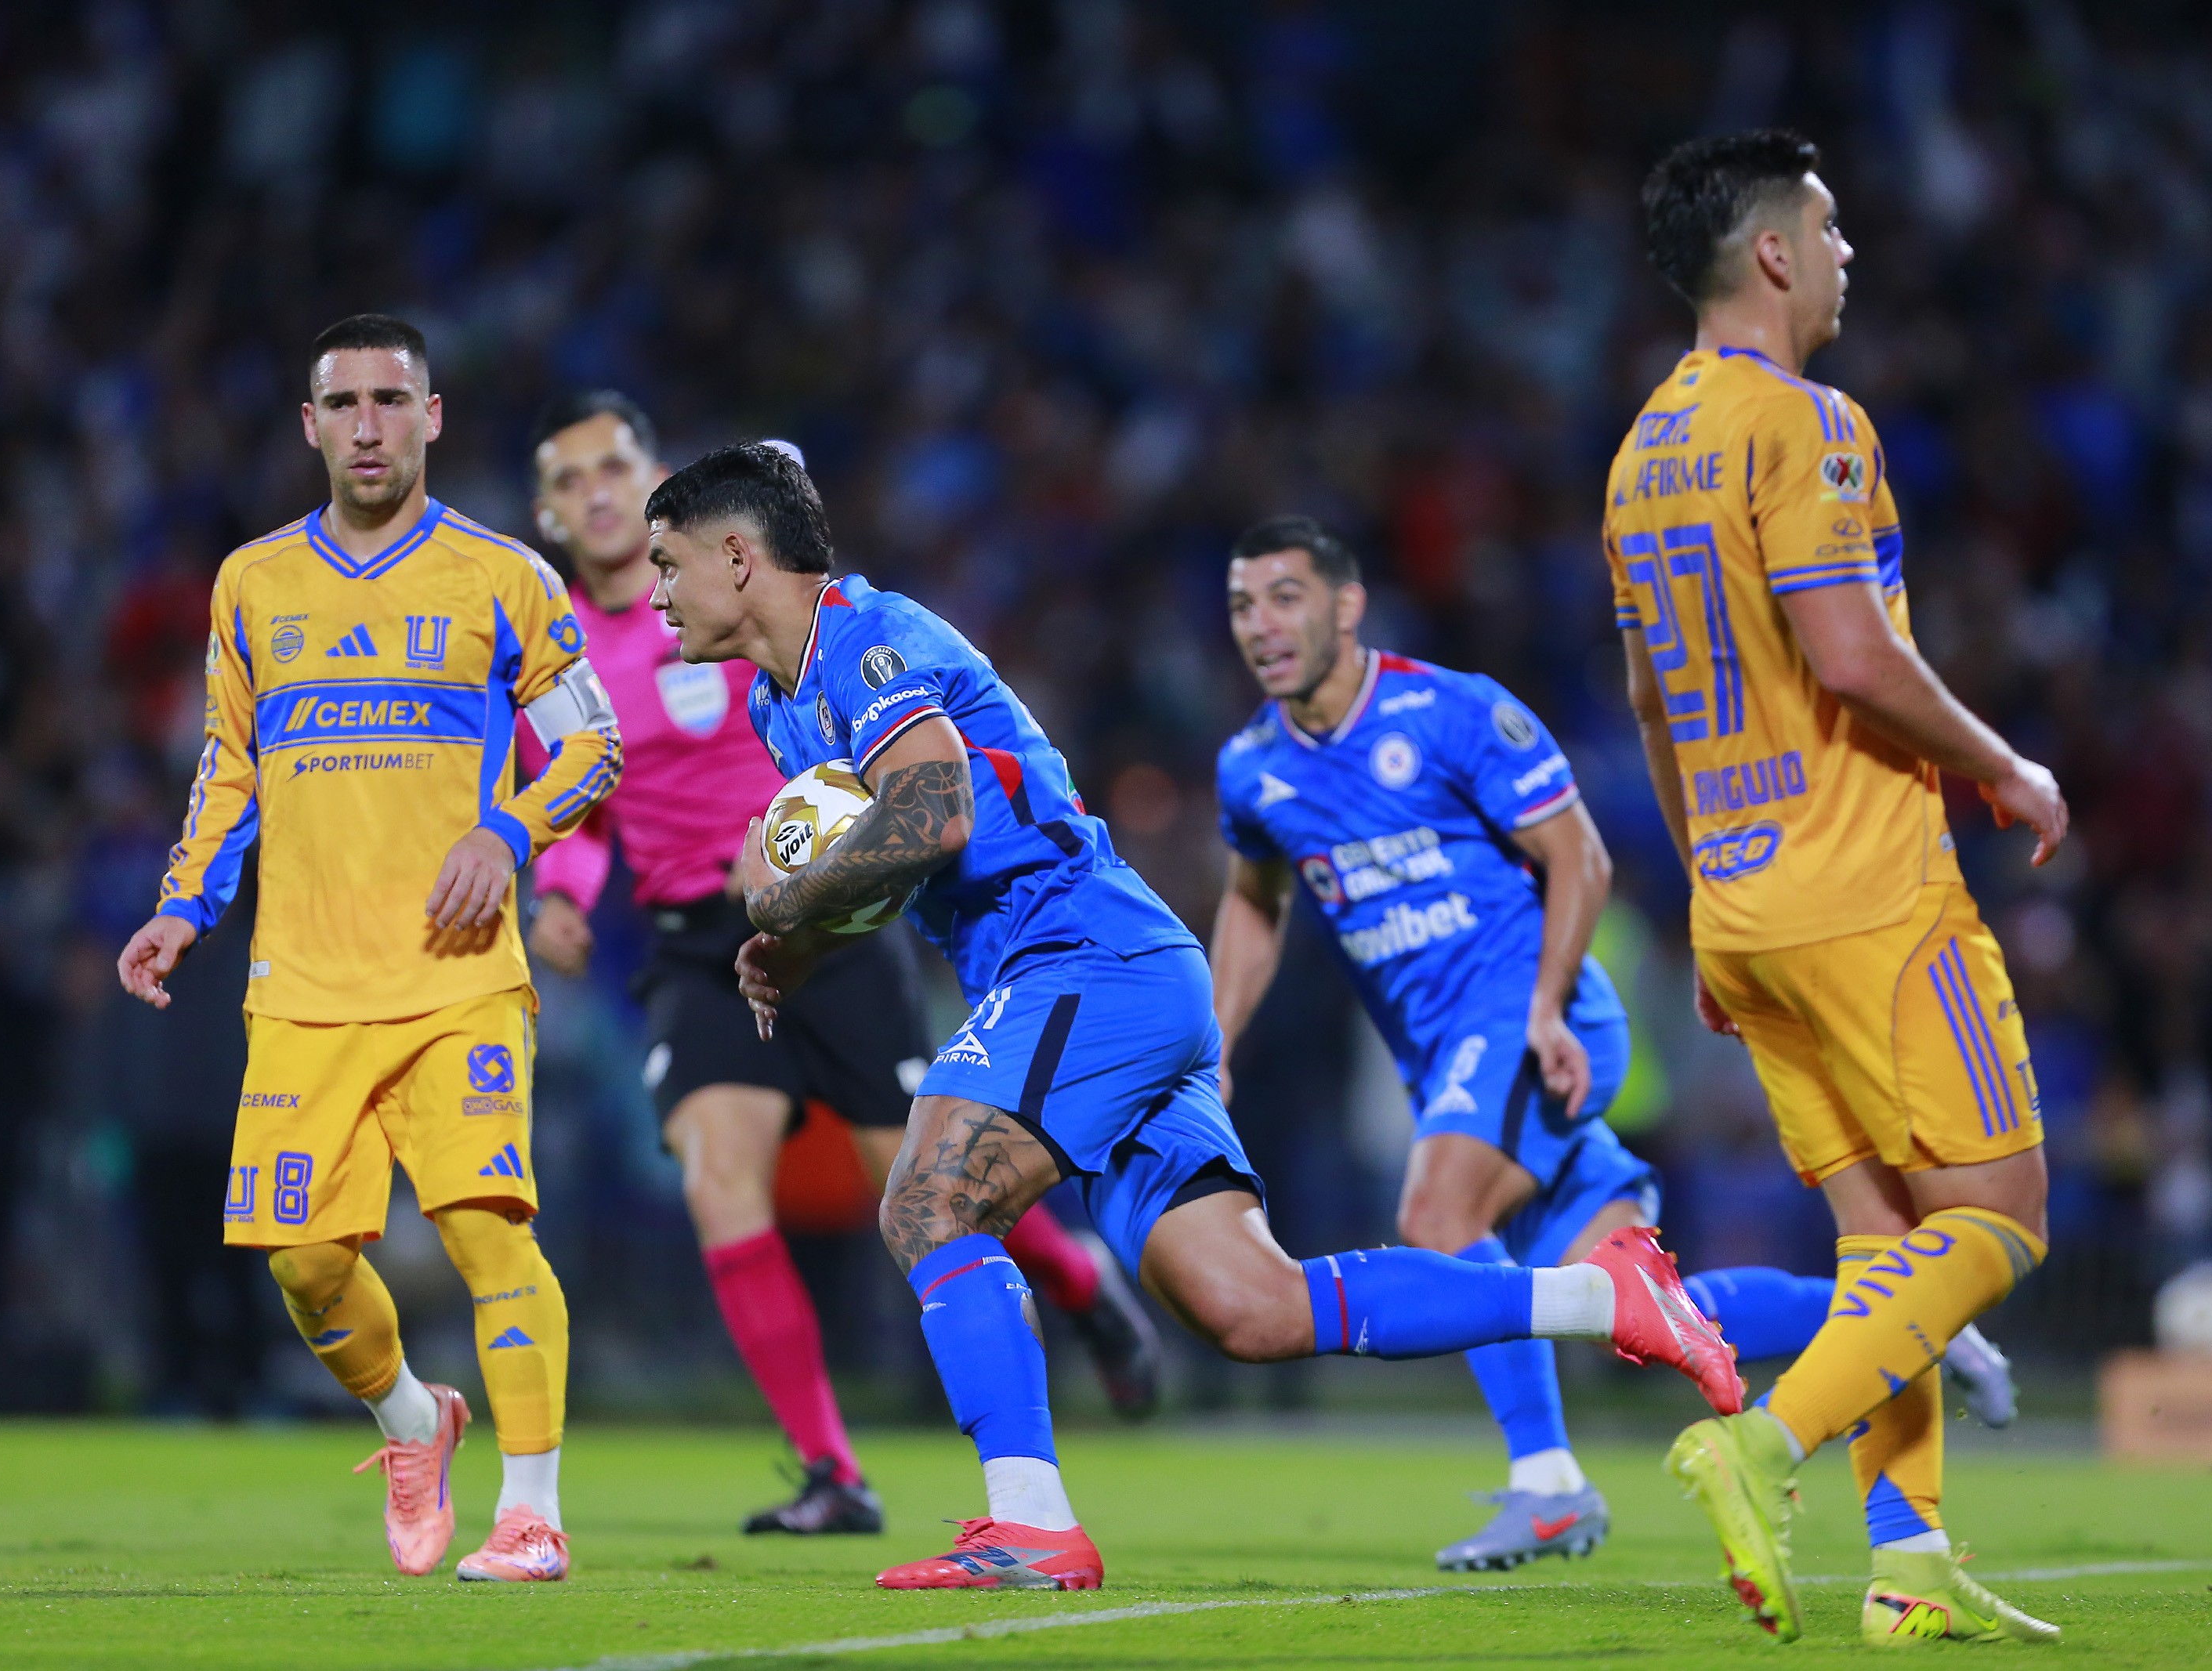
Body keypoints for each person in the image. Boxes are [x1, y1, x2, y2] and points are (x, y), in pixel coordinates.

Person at [643, 442, 1743, 1593]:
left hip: (1086, 956)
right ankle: (1603, 1293)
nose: (656, 590)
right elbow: (898, 868)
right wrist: (806, 942)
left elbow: (936, 808)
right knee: (1252, 1307)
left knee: (929, 1195)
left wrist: (784, 895)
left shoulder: (866, 639)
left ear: (737, 553)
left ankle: (1030, 1518)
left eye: (668, 563)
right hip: (1092, 979)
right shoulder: (781, 706)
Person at [1207, 515, 2018, 1573]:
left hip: (1532, 1017)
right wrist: (1215, 1038)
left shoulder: (1452, 711)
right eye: (1241, 605)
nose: (1262, 625)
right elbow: (1255, 904)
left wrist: (1543, 1006)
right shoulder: (1252, 770)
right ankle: (1915, 1320)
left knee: (1437, 1212)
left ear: (1345, 606)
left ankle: (1547, 1482)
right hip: (1449, 1053)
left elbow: (1578, 855)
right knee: (1633, 1304)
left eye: (1284, 596)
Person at [516, 394, 1160, 1535]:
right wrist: (560, 895)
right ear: (548, 514)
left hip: (844, 920)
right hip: (695, 942)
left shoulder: (755, 616)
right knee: (721, 1182)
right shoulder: (570, 652)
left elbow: (893, 783)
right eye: (569, 481)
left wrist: (797, 902)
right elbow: (584, 808)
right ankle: (834, 1469)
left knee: (915, 1177)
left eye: (615, 465)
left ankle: (1078, 1285)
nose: (598, 492)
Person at [1610, 132, 2069, 1645]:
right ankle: (1761, 1439)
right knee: (2000, 1218)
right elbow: (1853, 652)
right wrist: (2010, 764)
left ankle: (1909, 1562)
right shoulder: (1808, 424)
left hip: (1741, 895)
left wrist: (1701, 898)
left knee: (1885, 1242)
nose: (1852, 246)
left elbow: (1653, 704)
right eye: (1831, 221)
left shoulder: (1640, 454)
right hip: (1865, 884)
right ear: (1778, 257)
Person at [115, 314, 623, 1583]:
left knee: (488, 1234)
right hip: (303, 981)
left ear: (433, 416)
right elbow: (229, 768)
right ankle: (412, 1418)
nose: (368, 425)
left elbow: (593, 740)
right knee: (302, 1264)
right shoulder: (254, 583)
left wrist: (507, 832)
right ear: (309, 425)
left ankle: (533, 1511)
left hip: (459, 975)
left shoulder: (506, 577)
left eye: (392, 400)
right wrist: (183, 907)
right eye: (342, 403)